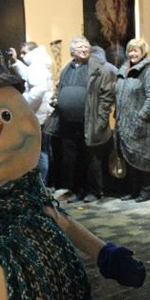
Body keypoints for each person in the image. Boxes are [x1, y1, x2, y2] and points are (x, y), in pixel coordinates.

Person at [45, 36, 115, 203]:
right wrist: (57, 99)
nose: (84, 49)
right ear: (72, 52)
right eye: (80, 47)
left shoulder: (98, 70)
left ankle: (94, 191)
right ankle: (77, 190)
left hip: (89, 122)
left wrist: (101, 120)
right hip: (68, 124)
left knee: (91, 158)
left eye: (86, 47)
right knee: (72, 160)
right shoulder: (66, 70)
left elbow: (106, 97)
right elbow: (59, 88)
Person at [115, 38, 150, 202]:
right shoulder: (123, 70)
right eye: (130, 50)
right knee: (130, 158)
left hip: (144, 125)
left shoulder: (149, 71)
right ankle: (133, 190)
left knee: (145, 157)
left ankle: (146, 190)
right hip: (124, 124)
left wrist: (140, 118)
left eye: (136, 50)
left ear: (143, 52)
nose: (132, 54)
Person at [10, 41, 54, 183]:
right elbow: (28, 75)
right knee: (41, 151)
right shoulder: (37, 64)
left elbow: (38, 90)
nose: (22, 56)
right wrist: (15, 61)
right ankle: (43, 184)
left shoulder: (37, 66)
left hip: (37, 115)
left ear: (32, 51)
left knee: (40, 153)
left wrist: (24, 105)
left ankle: (42, 185)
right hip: (39, 114)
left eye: (24, 52)